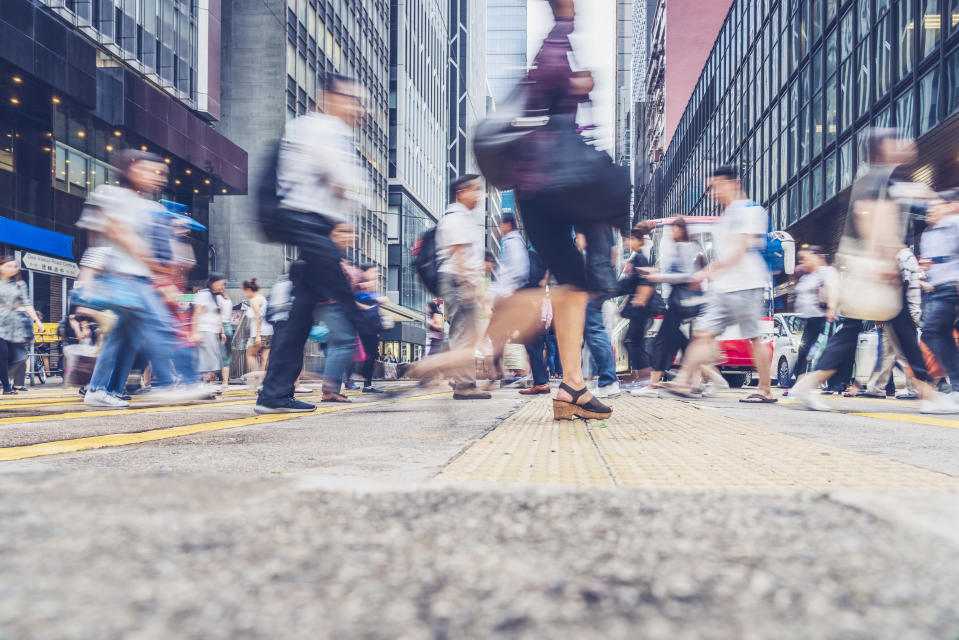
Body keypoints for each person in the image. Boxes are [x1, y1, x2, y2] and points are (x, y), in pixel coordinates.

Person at [791, 130, 958, 414]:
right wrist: (883, 257)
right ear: (882, 149)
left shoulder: (881, 178)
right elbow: (867, 215)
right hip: (872, 266)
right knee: (878, 329)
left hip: (869, 264)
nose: (905, 146)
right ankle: (929, 396)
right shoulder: (878, 178)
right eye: (897, 142)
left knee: (883, 329)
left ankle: (809, 385)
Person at [511, 0, 612, 420]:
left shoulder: (557, 43)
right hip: (546, 184)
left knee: (573, 283)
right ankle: (460, 358)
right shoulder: (556, 42)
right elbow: (545, 91)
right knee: (569, 283)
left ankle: (572, 384)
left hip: (542, 185)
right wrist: (576, 86)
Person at [256, 73, 366, 413]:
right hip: (306, 222)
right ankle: (278, 392)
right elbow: (348, 181)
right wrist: (349, 190)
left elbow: (343, 188)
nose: (359, 108)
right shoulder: (323, 128)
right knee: (346, 299)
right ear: (328, 97)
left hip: (312, 226)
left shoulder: (319, 129)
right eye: (351, 98)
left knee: (299, 317)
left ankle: (275, 394)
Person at [76, 150, 208, 407]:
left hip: (141, 279)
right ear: (130, 168)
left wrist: (165, 274)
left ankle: (99, 390)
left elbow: (165, 247)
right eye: (152, 171)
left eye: (161, 174)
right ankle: (181, 382)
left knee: (122, 340)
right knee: (163, 329)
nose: (158, 178)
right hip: (126, 279)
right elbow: (115, 235)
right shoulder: (108, 194)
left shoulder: (151, 207)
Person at [662, 165, 775, 403]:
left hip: (747, 284)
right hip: (722, 288)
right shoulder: (726, 216)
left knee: (753, 337)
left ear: (733, 183)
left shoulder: (750, 209)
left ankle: (765, 389)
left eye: (716, 186)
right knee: (702, 333)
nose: (712, 192)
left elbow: (743, 246)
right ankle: (683, 381)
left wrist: (710, 270)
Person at [632, 217, 702, 397]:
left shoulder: (685, 247)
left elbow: (688, 275)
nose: (672, 233)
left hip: (679, 301)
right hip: (677, 301)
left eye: (674, 230)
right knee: (682, 342)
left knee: (662, 342)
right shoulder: (687, 246)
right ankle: (696, 382)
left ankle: (653, 385)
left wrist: (660, 277)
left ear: (681, 229)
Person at [436, 174, 491, 400]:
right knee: (463, 334)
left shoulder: (465, 217)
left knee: (466, 333)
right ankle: (464, 385)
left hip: (461, 279)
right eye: (475, 190)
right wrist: (466, 283)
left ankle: (462, 380)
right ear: (461, 192)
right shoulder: (456, 218)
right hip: (457, 278)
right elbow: (459, 253)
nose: (479, 195)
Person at [919, 191, 959, 398]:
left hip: (952, 288)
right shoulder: (928, 233)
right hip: (936, 292)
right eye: (929, 207)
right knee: (943, 336)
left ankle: (944, 383)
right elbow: (931, 263)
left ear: (947, 206)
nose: (930, 210)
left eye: (935, 206)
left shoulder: (955, 224)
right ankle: (956, 386)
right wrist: (925, 273)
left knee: (930, 332)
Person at [786, 246, 839, 386]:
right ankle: (800, 380)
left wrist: (831, 309)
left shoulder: (826, 272)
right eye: (800, 259)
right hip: (810, 320)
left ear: (817, 257)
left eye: (804, 258)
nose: (802, 262)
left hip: (824, 318)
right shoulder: (808, 275)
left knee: (824, 351)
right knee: (804, 351)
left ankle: (832, 382)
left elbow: (832, 288)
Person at [0, 257, 43, 395]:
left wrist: (37, 320)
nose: (12, 269)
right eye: (8, 266)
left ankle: (7, 383)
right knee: (3, 354)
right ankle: (7, 387)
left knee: (16, 357)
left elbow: (27, 304)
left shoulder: (20, 284)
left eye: (14, 266)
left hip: (13, 326)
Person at [621, 223, 657, 387]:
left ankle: (645, 378)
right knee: (634, 342)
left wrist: (638, 301)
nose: (627, 243)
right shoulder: (636, 257)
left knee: (632, 342)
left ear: (638, 240)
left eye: (629, 240)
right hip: (638, 309)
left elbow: (645, 282)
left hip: (640, 309)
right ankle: (642, 377)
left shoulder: (640, 257)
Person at [193, 273, 231, 389]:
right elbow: (197, 313)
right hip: (204, 330)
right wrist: (195, 331)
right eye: (221, 284)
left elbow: (218, 315)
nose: (222, 287)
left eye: (224, 285)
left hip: (213, 331)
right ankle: (199, 384)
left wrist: (221, 331)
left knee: (213, 361)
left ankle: (203, 385)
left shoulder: (215, 296)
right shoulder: (204, 295)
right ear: (213, 282)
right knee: (209, 361)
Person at [356, 263, 387, 393]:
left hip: (371, 326)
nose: (377, 274)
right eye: (374, 271)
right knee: (364, 354)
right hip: (362, 326)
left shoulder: (371, 287)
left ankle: (367, 384)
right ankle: (353, 378)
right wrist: (374, 301)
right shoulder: (358, 286)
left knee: (371, 354)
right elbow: (353, 300)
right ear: (364, 272)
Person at [242, 278, 272, 387]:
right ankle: (261, 381)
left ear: (248, 289)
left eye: (245, 291)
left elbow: (258, 318)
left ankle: (254, 380)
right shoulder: (263, 299)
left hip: (258, 333)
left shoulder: (254, 300)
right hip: (269, 331)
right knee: (264, 358)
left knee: (250, 355)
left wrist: (258, 335)